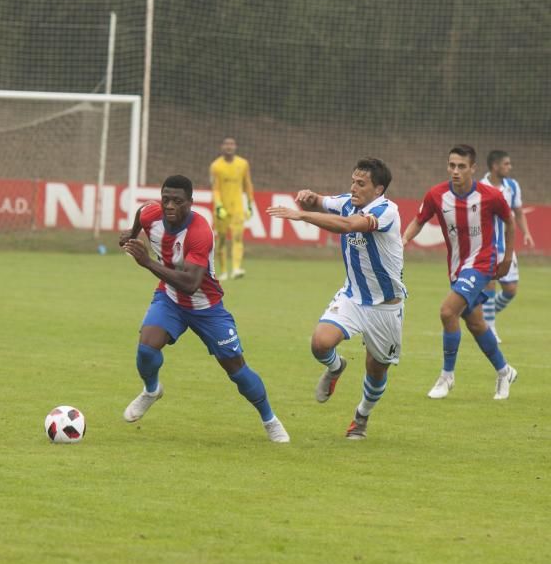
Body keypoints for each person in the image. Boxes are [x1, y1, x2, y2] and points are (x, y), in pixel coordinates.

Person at [118, 174, 289, 443]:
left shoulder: (199, 232)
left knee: (237, 371)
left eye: (177, 201)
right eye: (166, 199)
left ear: (190, 203)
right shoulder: (153, 214)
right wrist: (131, 232)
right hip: (169, 299)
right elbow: (143, 210)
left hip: (206, 306)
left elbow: (190, 283)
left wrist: (147, 262)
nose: (170, 206)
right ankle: (151, 391)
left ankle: (270, 420)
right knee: (146, 349)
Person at [266, 158, 405, 440]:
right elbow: (320, 201)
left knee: (376, 370)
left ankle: (361, 417)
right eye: (353, 181)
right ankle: (336, 366)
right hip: (353, 296)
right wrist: (308, 198)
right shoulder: (346, 201)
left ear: (378, 189)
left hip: (386, 306)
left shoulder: (386, 210)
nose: (353, 187)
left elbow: (346, 225)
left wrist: (301, 216)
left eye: (361, 184)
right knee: (320, 343)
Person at [402, 145, 517, 400]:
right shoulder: (436, 195)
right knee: (475, 323)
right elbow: (419, 220)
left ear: (473, 168)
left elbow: (510, 221)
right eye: (452, 165)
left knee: (447, 311)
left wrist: (506, 258)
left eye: (461, 166)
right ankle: (504, 371)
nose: (456, 171)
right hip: (457, 267)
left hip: (482, 263)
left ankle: (447, 376)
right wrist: (404, 240)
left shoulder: (490, 196)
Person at [479, 150, 534, 343]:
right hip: (486, 246)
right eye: (506, 164)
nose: (510, 167)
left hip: (506, 246)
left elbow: (518, 212)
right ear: (495, 166)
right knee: (490, 285)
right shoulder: (480, 187)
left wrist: (526, 232)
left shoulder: (512, 186)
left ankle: (483, 317)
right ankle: (489, 328)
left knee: (510, 290)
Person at [209, 136, 254, 281]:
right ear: (222, 147)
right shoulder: (216, 166)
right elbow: (215, 188)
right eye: (226, 144)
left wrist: (249, 203)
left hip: (237, 208)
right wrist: (218, 205)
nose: (229, 147)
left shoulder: (243, 164)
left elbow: (248, 184)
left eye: (232, 144)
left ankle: (236, 268)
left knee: (237, 238)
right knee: (221, 239)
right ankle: (222, 271)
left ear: (235, 147)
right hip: (222, 209)